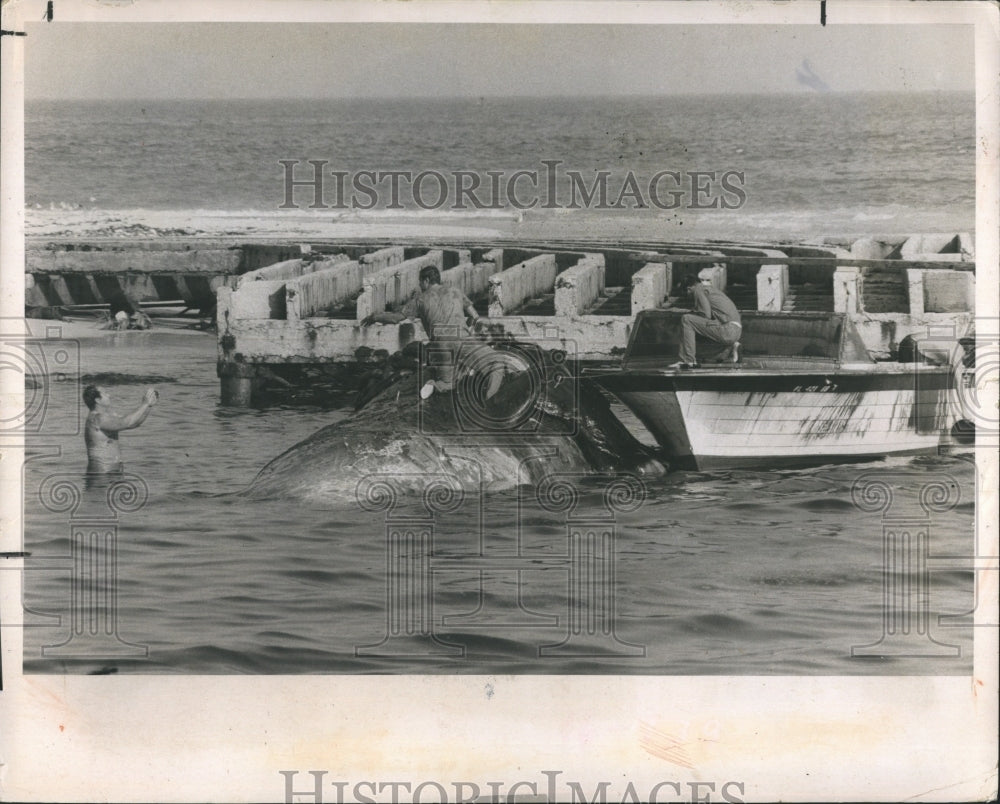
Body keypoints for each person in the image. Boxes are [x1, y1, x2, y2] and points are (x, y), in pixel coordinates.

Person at [363, 265, 502, 399]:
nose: (420, 286)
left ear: (426, 281)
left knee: (449, 382)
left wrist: (375, 317)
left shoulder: (419, 299)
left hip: (439, 346)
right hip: (460, 338)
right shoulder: (455, 291)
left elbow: (396, 318)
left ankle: (435, 385)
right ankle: (489, 400)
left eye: (420, 282)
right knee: (496, 363)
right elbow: (475, 317)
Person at [670, 268, 742, 370]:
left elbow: (705, 314)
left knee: (686, 319)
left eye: (686, 293)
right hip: (735, 330)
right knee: (694, 335)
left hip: (727, 330)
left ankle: (688, 361)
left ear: (689, 288)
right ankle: (730, 349)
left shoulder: (698, 290)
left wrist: (689, 313)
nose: (687, 296)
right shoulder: (711, 290)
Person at [83, 385, 158, 474]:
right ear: (98, 400)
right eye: (105, 393)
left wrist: (149, 406)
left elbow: (134, 424)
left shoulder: (107, 417)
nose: (109, 395)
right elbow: (127, 422)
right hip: (102, 473)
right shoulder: (97, 418)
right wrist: (144, 404)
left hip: (112, 471)